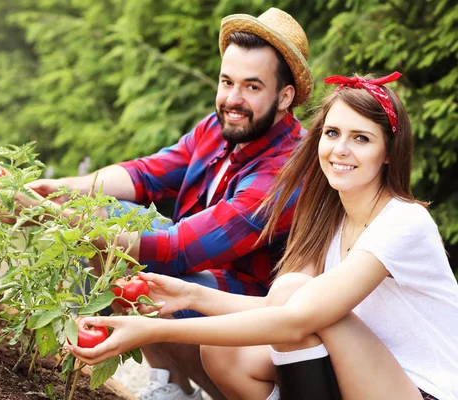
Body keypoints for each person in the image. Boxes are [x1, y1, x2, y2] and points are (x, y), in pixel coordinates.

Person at [65, 72, 458, 400]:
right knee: (231, 347)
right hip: (357, 376)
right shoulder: (327, 217)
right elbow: (280, 310)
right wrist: (190, 295)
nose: (340, 149)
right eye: (332, 133)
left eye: (361, 138)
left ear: (389, 151)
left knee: (305, 306)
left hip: (422, 391)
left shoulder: (403, 222)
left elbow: (294, 320)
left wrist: (152, 330)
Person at [12, 8, 313, 400]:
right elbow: (145, 174)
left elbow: (175, 250)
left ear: (284, 96)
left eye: (252, 87)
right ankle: (170, 385)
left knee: (132, 265)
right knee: (111, 218)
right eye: (227, 82)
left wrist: (61, 220)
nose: (233, 99)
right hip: (202, 282)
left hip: (247, 314)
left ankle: (217, 393)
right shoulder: (219, 129)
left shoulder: (286, 171)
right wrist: (60, 189)